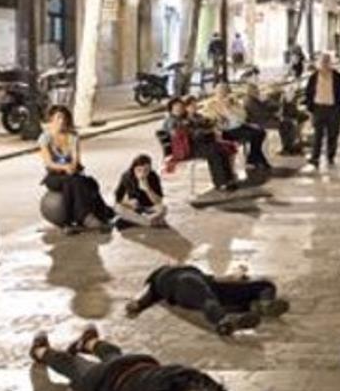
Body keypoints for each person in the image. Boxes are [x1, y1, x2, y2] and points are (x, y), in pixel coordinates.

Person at [29, 324, 245, 391]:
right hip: (105, 382)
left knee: (112, 354)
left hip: (136, 363)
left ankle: (88, 343)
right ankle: (39, 351)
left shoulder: (190, 376)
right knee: (73, 366)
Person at [125, 264, 289, 335]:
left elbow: (223, 278)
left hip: (208, 283)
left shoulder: (161, 283)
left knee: (265, 285)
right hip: (185, 284)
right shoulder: (160, 278)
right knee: (207, 300)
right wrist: (136, 303)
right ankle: (224, 321)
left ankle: (261, 305)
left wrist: (238, 273)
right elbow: (144, 293)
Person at [39, 105, 114, 234]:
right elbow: (49, 163)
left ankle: (77, 220)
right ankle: (82, 218)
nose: (62, 121)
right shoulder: (45, 138)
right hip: (55, 175)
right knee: (72, 182)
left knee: (84, 182)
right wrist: (64, 167)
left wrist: (72, 167)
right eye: (58, 118)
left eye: (64, 118)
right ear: (51, 119)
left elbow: (76, 159)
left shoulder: (73, 137)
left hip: (72, 173)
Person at [162, 97, 237, 191]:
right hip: (185, 150)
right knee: (214, 152)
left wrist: (206, 125)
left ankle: (228, 179)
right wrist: (201, 131)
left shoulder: (185, 118)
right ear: (171, 109)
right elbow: (184, 134)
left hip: (195, 145)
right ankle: (220, 183)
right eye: (177, 107)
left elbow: (198, 127)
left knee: (221, 148)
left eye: (181, 106)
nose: (179, 109)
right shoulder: (171, 121)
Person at [208, 84, 270, 170]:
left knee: (261, 132)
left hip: (239, 126)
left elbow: (243, 116)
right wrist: (224, 112)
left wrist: (231, 108)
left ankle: (253, 156)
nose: (223, 95)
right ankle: (256, 159)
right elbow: (214, 120)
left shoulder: (234, 102)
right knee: (253, 135)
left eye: (225, 92)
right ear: (216, 93)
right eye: (220, 92)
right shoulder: (212, 105)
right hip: (227, 131)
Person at [304, 53, 340, 169]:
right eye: (322, 62)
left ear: (330, 63)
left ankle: (330, 156)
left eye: (327, 62)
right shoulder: (314, 77)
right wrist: (310, 108)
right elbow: (309, 92)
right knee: (317, 134)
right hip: (318, 108)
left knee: (332, 134)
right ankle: (315, 157)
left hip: (333, 109)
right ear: (319, 63)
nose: (324, 64)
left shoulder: (337, 76)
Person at [244, 83, 300, 154]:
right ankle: (287, 147)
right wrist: (273, 115)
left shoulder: (254, 99)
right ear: (250, 91)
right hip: (260, 122)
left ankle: (288, 146)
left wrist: (267, 101)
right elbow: (260, 114)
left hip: (263, 120)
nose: (257, 91)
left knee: (288, 124)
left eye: (257, 90)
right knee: (286, 125)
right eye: (255, 90)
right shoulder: (250, 101)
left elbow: (266, 108)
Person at [113, 155, 167, 228]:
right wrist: (128, 203)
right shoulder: (126, 176)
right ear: (133, 168)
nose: (143, 173)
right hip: (134, 209)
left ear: (150, 169)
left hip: (150, 208)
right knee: (117, 208)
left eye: (146, 170)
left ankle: (139, 221)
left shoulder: (153, 176)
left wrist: (148, 189)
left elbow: (158, 201)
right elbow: (118, 198)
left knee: (163, 208)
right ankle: (149, 222)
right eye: (139, 170)